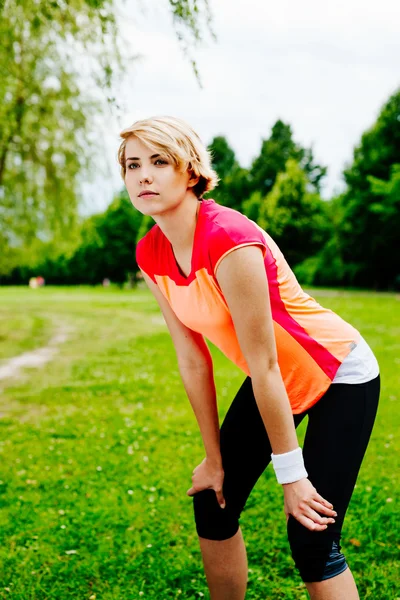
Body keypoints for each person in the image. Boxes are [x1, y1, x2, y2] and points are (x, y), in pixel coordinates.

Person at [117, 116, 380, 600]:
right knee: (213, 505)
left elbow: (264, 365)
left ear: (191, 172)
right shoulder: (151, 252)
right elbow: (192, 359)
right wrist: (214, 460)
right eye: (132, 165)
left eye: (158, 162)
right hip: (278, 380)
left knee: (311, 535)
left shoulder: (228, 238)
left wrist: (292, 476)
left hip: (339, 373)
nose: (143, 176)